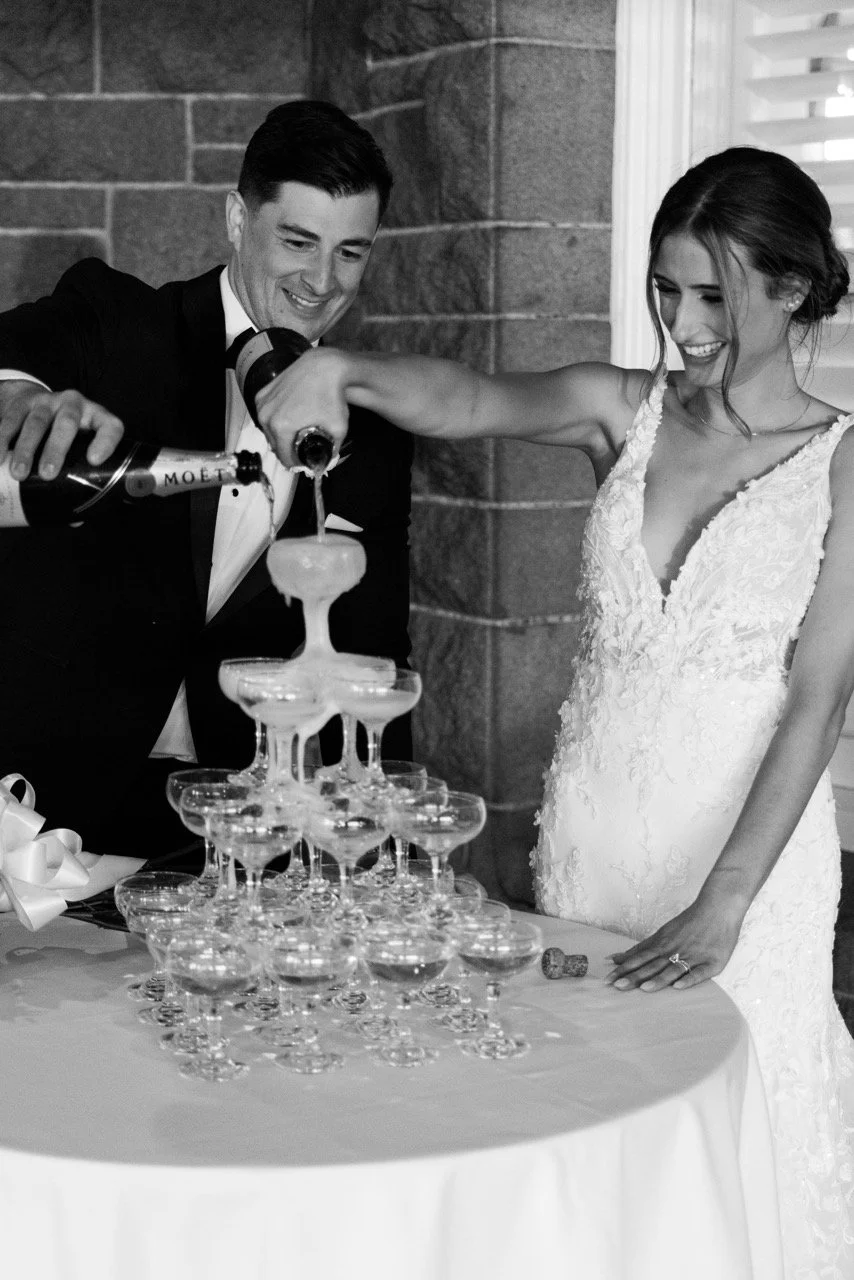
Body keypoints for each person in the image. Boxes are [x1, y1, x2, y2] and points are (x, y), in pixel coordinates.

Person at [257, 145, 854, 1276]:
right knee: (589, 1144)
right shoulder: (617, 411)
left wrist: (724, 902)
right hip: (592, 849)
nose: (680, 322)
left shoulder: (842, 464)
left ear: (789, 288)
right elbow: (471, 399)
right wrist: (345, 370)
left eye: (711, 295)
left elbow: (817, 702)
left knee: (741, 1149)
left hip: (743, 875)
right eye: (665, 288)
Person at [0, 100, 412, 862]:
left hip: (232, 835)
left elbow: (375, 665)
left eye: (351, 252)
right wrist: (18, 396)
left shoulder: (374, 426)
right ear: (235, 220)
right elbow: (18, 350)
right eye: (297, 241)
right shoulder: (117, 322)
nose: (323, 281)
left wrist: (392, 859)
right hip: (46, 818)